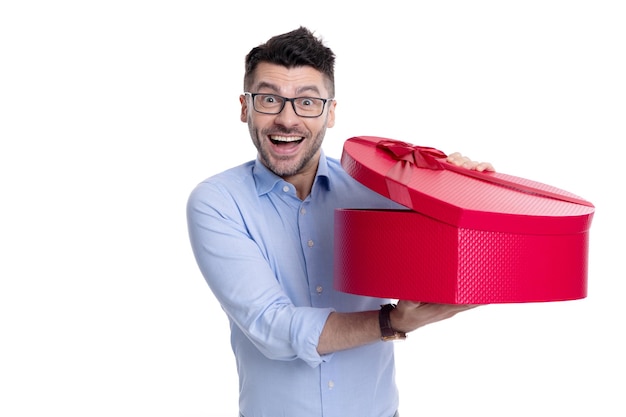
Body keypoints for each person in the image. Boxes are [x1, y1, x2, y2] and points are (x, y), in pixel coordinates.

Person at [186, 26, 494, 417]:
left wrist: (462, 184)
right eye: (269, 99)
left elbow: (462, 239)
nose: (287, 118)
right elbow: (271, 327)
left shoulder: (379, 189)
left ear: (330, 113)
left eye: (308, 103)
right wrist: (391, 321)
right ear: (245, 107)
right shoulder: (217, 202)